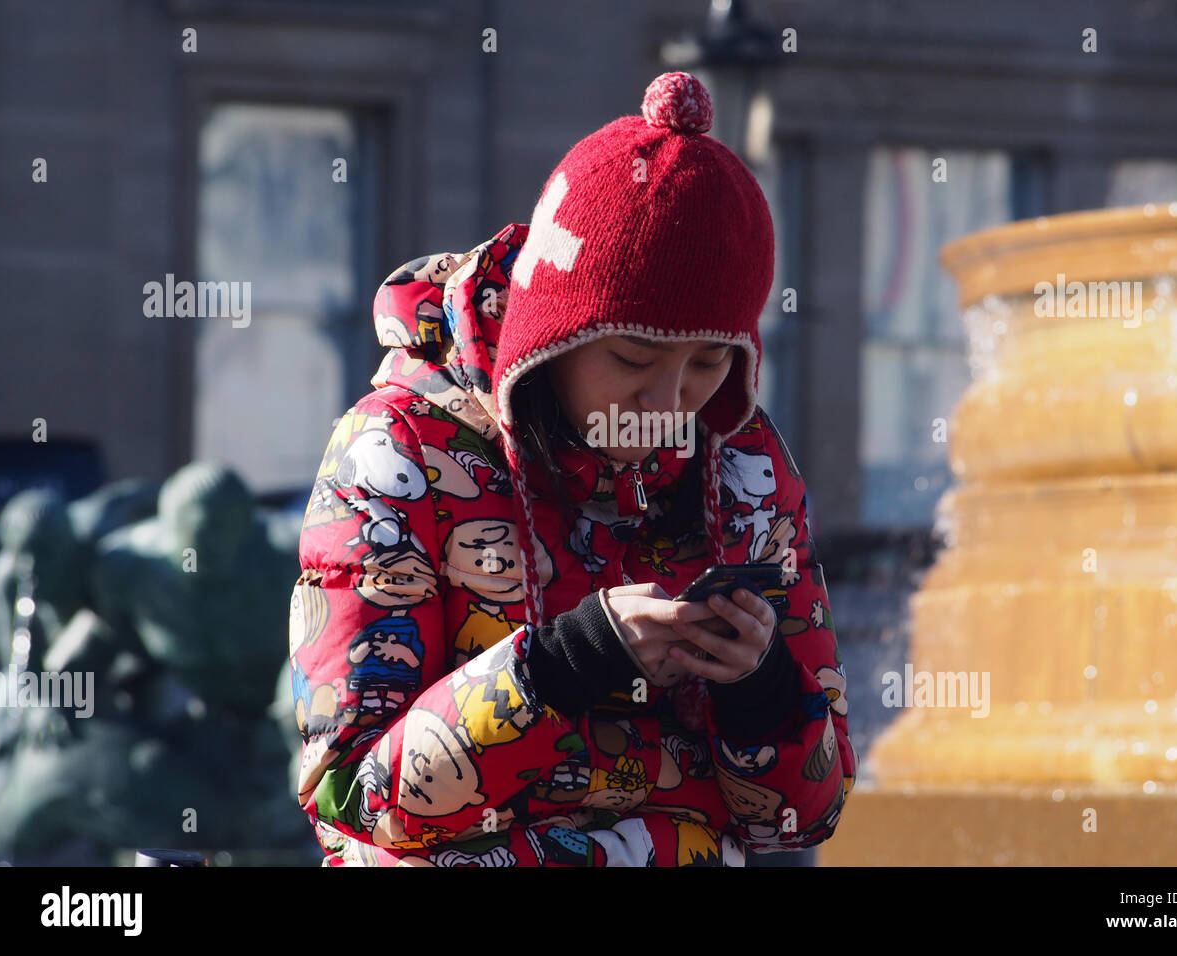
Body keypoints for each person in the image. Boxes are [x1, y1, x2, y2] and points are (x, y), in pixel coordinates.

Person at [288, 71, 855, 867]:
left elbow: (801, 823)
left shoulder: (747, 471)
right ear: (549, 342)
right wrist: (565, 662)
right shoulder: (397, 450)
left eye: (705, 364)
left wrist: (759, 689)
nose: (666, 402)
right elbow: (351, 798)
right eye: (632, 357)